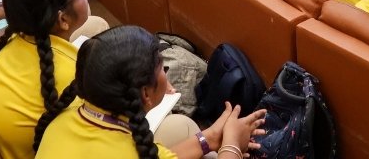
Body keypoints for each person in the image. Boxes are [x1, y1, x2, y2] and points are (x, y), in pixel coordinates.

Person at [34, 25, 265, 158]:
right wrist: (231, 144)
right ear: (145, 93)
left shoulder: (63, 116)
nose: (165, 72)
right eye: (161, 66)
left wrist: (212, 138)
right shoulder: (131, 150)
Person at [0, 0, 114, 159]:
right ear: (63, 20)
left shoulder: (14, 39)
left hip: (9, 147)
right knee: (176, 126)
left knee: (96, 24)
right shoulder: (75, 78)